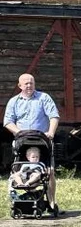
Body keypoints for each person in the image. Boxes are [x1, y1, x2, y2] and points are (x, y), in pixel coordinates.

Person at [4, 73, 59, 209]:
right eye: (26, 83)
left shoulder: (43, 98)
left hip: (42, 140)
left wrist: (51, 132)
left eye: (31, 83)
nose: (29, 86)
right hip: (23, 141)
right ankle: (16, 197)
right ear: (20, 86)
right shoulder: (14, 101)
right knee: (17, 169)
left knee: (50, 171)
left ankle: (51, 201)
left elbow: (54, 116)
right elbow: (8, 122)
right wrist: (18, 132)